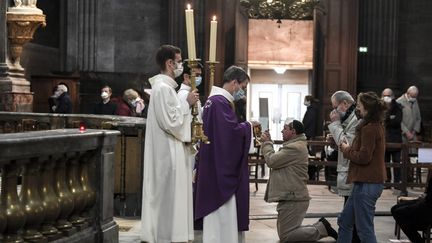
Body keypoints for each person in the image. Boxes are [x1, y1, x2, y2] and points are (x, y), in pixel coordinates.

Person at [140, 45, 199, 243]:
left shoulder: (165, 88)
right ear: (169, 63)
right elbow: (171, 122)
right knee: (167, 198)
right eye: (179, 61)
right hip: (167, 153)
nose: (181, 65)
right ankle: (166, 236)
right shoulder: (163, 89)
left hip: (170, 149)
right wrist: (187, 103)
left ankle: (171, 234)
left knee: (170, 198)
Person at [194, 65, 255, 243]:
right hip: (218, 167)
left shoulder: (215, 101)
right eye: (243, 87)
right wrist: (249, 126)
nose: (242, 92)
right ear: (234, 83)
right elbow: (230, 135)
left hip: (213, 161)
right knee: (222, 213)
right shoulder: (220, 102)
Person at [260, 119, 338, 242]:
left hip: (294, 198)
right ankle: (321, 227)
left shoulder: (295, 148)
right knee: (287, 235)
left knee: (286, 237)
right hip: (290, 197)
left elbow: (272, 161)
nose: (282, 130)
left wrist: (267, 143)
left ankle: (321, 229)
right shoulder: (295, 145)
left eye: (285, 128)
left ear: (293, 131)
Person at [338, 91, 387, 243]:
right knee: (345, 221)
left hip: (368, 183)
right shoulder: (370, 126)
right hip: (363, 182)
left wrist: (346, 149)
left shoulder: (370, 128)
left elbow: (364, 157)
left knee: (364, 229)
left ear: (367, 108)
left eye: (359, 106)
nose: (357, 108)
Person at [328, 90, 360, 242]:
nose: (334, 111)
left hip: (353, 173)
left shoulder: (357, 120)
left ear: (345, 104)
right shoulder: (349, 119)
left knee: (351, 219)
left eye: (335, 107)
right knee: (348, 217)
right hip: (348, 172)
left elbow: (347, 144)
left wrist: (335, 125)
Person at [391, 176, 432, 243]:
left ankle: (418, 240)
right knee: (394, 209)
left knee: (399, 213)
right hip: (426, 202)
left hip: (428, 209)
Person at [382, 88, 403, 185]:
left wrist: (387, 120)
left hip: (395, 139)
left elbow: (397, 121)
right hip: (384, 139)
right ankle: (387, 181)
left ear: (393, 96)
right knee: (385, 162)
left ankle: (397, 182)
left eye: (388, 95)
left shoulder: (398, 107)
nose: (386, 97)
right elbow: (380, 121)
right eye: (385, 95)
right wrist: (389, 119)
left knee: (397, 162)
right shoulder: (380, 107)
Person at [397, 86, 422, 151]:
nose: (414, 98)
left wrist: (414, 131)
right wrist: (407, 132)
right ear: (408, 94)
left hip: (413, 135)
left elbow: (418, 118)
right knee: (403, 155)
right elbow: (398, 120)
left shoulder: (415, 100)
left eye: (415, 96)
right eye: (413, 96)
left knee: (413, 156)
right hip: (403, 134)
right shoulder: (399, 102)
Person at [302, 95, 321, 180]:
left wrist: (302, 128)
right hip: (309, 132)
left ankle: (312, 170)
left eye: (305, 100)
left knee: (308, 152)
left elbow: (307, 122)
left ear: (308, 101)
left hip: (308, 133)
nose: (304, 102)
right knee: (308, 151)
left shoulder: (312, 110)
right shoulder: (312, 109)